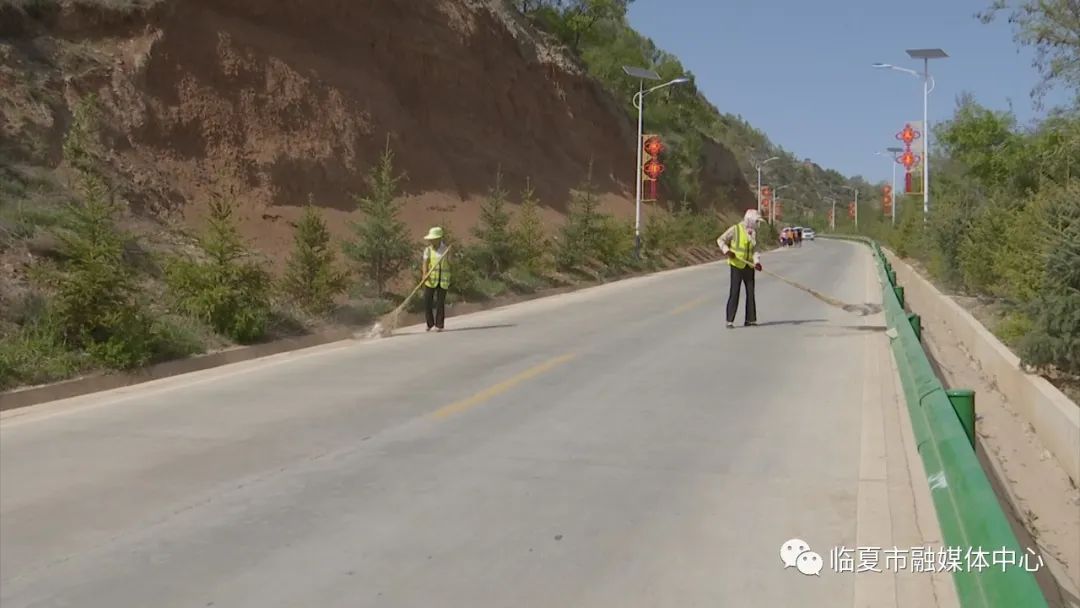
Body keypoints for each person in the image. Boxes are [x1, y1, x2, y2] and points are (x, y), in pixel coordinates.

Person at [717, 209, 763, 328]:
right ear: (750, 220)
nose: (758, 224)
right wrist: (727, 251)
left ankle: (750, 320)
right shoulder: (736, 229)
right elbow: (720, 240)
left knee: (750, 292)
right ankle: (729, 320)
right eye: (756, 221)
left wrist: (757, 261)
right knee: (735, 292)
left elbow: (756, 249)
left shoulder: (753, 233)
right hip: (737, 265)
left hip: (749, 265)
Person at [421, 226, 451, 332]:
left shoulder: (446, 250)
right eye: (430, 239)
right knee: (427, 301)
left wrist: (450, 257)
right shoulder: (428, 250)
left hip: (443, 280)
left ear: (439, 238)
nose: (431, 241)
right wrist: (424, 274)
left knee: (440, 303)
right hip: (431, 280)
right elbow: (425, 263)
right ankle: (429, 324)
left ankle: (439, 325)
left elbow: (452, 263)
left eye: (433, 239)